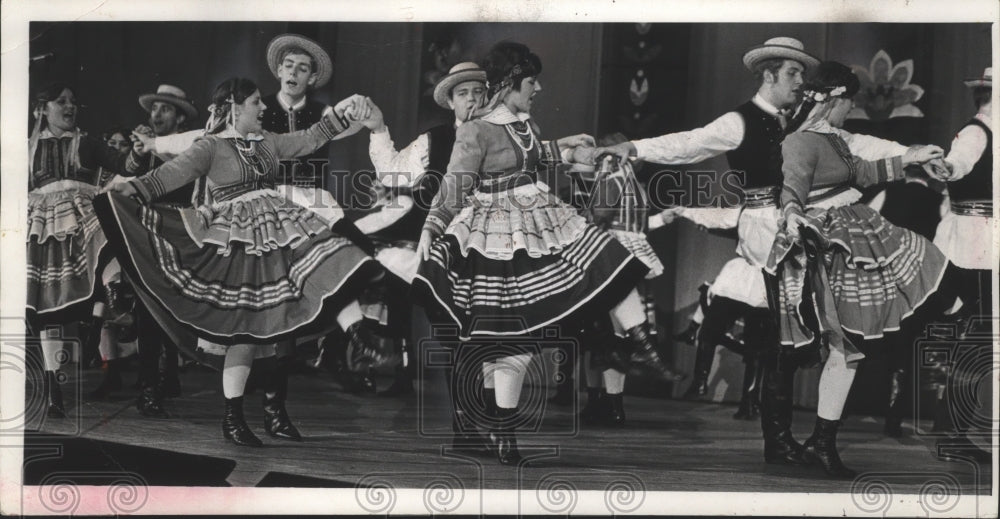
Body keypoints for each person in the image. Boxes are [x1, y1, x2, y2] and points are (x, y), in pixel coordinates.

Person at [412, 42, 677, 465]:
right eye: (531, 81)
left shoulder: (524, 122)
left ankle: (642, 344)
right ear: (513, 82)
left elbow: (541, 153)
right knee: (510, 342)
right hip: (498, 232)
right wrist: (433, 224)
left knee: (609, 258)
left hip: (539, 220)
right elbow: (456, 182)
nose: (537, 88)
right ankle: (505, 432)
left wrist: (581, 151)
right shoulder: (475, 129)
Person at [97, 77, 381, 447]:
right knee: (246, 331)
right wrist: (129, 188)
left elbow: (310, 138)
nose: (263, 109)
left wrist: (342, 114)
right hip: (240, 240)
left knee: (324, 270)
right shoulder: (211, 146)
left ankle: (346, 345)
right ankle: (233, 418)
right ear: (234, 107)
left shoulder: (269, 142)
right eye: (255, 103)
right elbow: (170, 174)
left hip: (279, 229)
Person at [765, 61, 946, 477]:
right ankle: (819, 443)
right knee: (845, 347)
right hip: (829, 244)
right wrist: (792, 214)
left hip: (855, 232)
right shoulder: (801, 141)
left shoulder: (834, 138)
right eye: (849, 102)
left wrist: (912, 158)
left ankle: (821, 442)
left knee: (849, 349)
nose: (851, 110)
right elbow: (793, 187)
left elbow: (862, 171)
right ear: (835, 99)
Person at [27, 82, 132, 418]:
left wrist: (139, 152)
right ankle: (54, 387)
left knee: (108, 239)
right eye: (61, 101)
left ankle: (105, 306)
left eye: (73, 101)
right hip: (45, 228)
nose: (70, 106)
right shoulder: (27, 149)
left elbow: (123, 161)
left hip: (83, 218)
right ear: (43, 108)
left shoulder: (85, 143)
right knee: (49, 310)